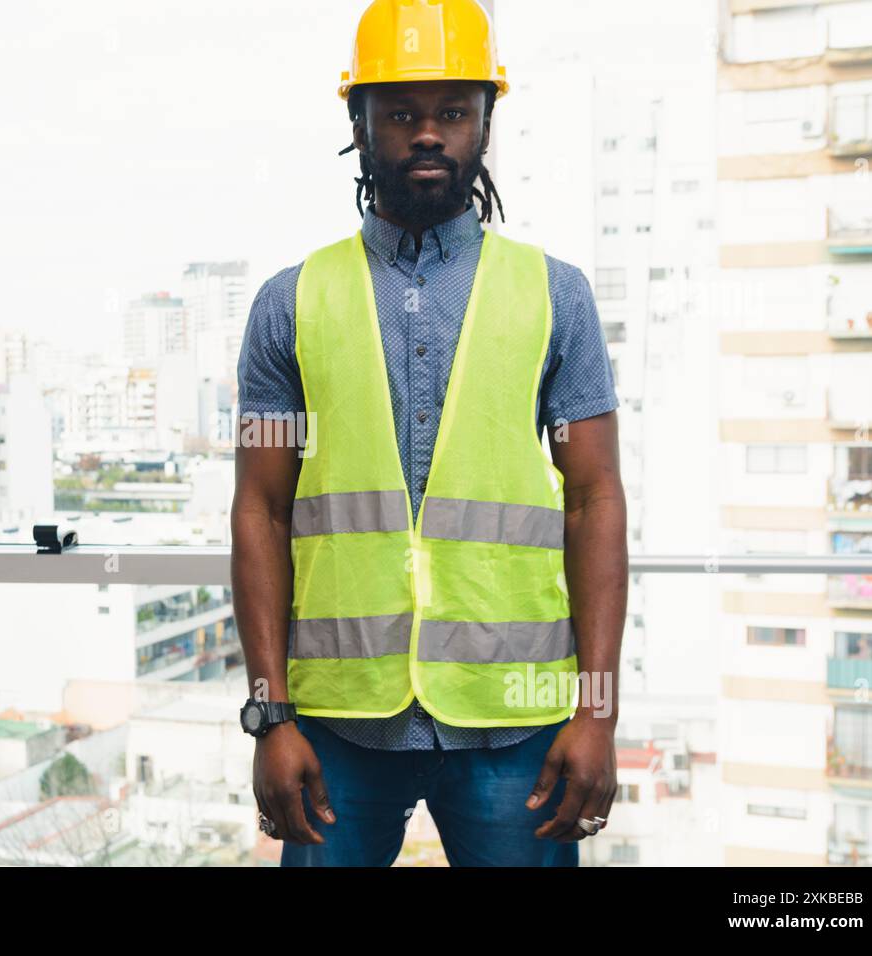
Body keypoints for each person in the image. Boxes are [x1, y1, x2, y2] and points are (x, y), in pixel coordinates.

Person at [232, 0, 626, 866]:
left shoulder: (557, 296)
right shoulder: (286, 304)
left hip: (516, 723)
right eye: (401, 112)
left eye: (453, 111)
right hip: (335, 723)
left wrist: (596, 710)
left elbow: (594, 501)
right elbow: (259, 511)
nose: (428, 134)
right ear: (359, 121)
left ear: (486, 121)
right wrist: (270, 715)